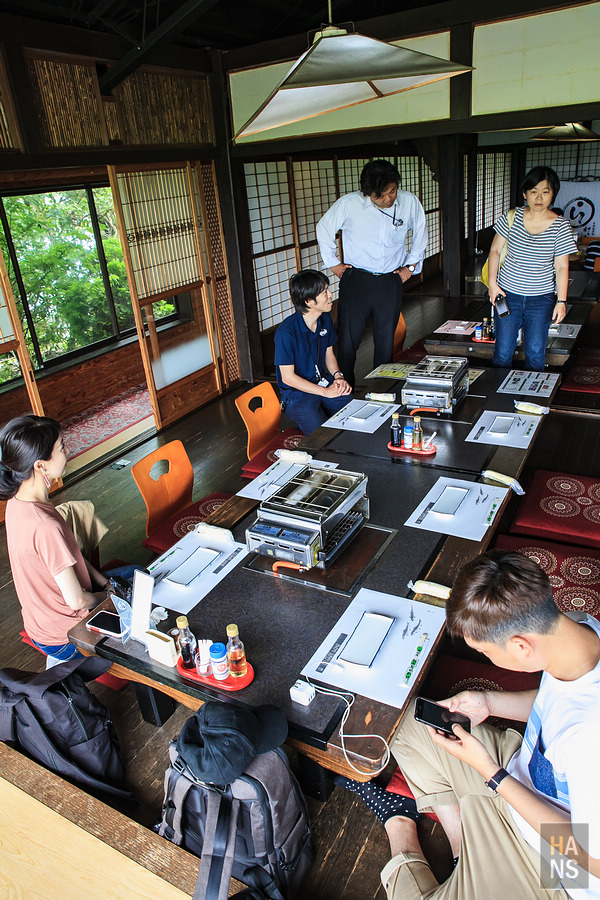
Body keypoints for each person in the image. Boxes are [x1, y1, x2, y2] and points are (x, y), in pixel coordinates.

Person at [337, 550, 600, 899]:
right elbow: (559, 700)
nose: (488, 660)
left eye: (488, 653)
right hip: (524, 774)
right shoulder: (582, 627)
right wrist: (489, 702)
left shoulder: (589, 741)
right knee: (405, 721)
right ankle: (462, 843)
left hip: (554, 867)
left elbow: (591, 859)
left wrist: (491, 773)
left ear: (521, 646)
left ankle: (398, 822)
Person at [0, 415, 118, 664]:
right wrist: (110, 598)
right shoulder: (44, 525)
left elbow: (73, 556)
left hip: (41, 623)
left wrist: (106, 583)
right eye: (61, 446)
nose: (68, 450)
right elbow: (77, 600)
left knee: (134, 575)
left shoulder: (18, 501)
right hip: (66, 637)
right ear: (40, 465)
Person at [316, 159, 427, 387]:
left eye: (392, 191)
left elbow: (420, 235)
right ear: (368, 193)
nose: (388, 199)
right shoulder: (350, 204)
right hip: (357, 280)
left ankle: (382, 389)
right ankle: (343, 390)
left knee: (386, 341)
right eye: (380, 196)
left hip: (390, 280)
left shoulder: (409, 202)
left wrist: (411, 267)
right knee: (349, 341)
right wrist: (333, 263)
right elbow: (324, 228)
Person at [487, 166, 577, 371]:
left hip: (541, 299)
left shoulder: (561, 226)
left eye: (545, 191)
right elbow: (494, 251)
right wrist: (493, 284)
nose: (539, 197)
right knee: (502, 351)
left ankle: (530, 401)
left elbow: (562, 266)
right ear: (524, 193)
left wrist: (561, 301)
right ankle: (498, 401)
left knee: (536, 353)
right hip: (507, 295)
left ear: (553, 194)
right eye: (534, 191)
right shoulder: (511, 217)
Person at [274, 269, 352, 434]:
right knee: (320, 434)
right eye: (325, 292)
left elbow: (328, 354)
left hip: (323, 381)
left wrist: (338, 376)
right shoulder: (286, 333)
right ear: (309, 301)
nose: (330, 294)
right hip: (297, 394)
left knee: (350, 407)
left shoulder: (324, 318)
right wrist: (326, 392)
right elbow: (288, 378)